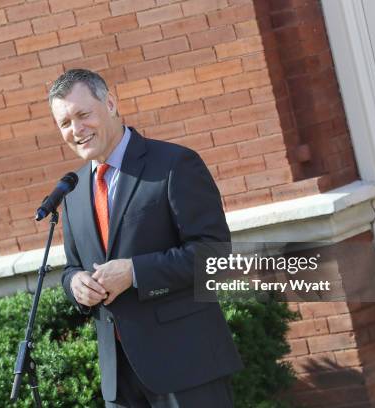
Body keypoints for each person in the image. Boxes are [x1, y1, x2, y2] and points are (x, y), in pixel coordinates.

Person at [49, 69, 243, 408]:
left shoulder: (174, 164)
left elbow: (215, 256)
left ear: (110, 104)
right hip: (120, 379)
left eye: (83, 115)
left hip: (188, 367)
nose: (76, 130)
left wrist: (135, 272)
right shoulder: (74, 191)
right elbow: (72, 267)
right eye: (65, 123)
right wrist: (75, 284)